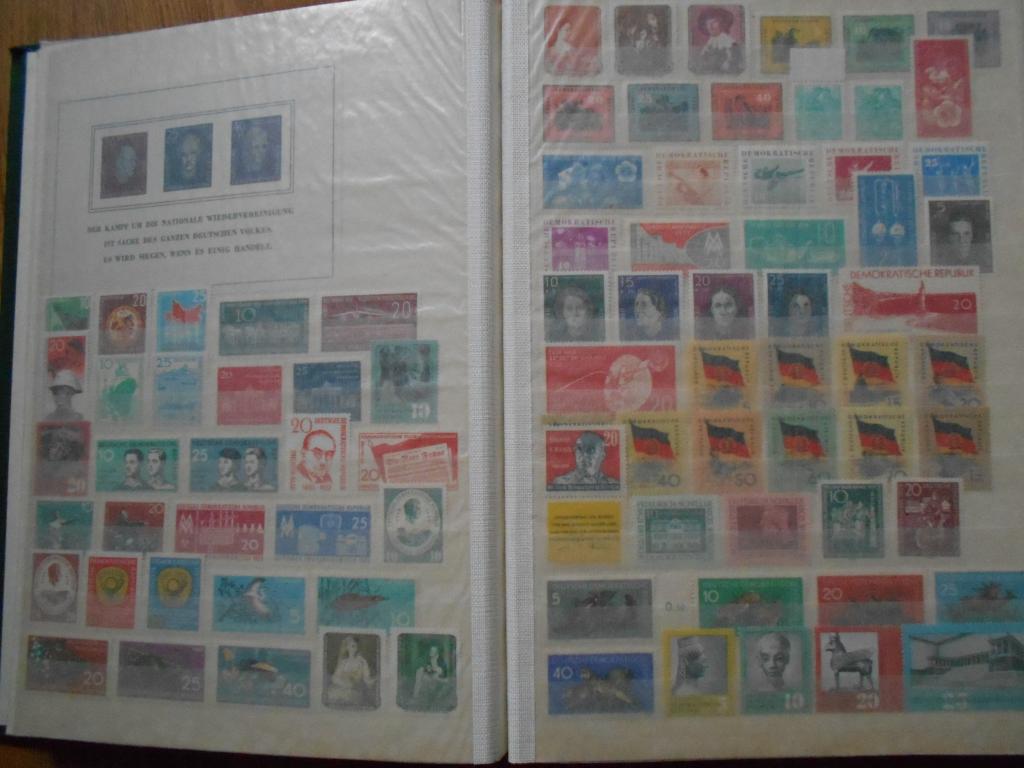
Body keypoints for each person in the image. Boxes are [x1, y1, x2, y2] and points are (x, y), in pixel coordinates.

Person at [326, 635, 377, 708]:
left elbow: (367, 678)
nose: (354, 648)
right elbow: (334, 677)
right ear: (347, 647)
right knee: (333, 696)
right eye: (352, 646)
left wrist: (373, 681)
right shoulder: (343, 662)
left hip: (355, 690)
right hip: (342, 688)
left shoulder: (362, 661)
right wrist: (344, 684)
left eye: (356, 646)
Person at [552, 431, 616, 488]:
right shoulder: (561, 483)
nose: (584, 455)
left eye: (591, 450)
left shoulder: (613, 484)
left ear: (602, 456)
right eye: (579, 449)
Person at [693, 6, 743, 74]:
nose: (710, 26)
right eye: (707, 23)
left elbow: (733, 62)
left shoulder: (730, 42)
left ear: (722, 23)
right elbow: (703, 57)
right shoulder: (711, 40)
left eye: (714, 22)